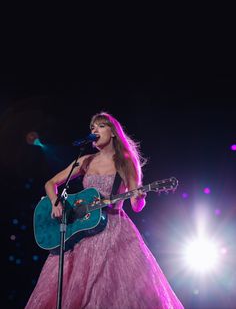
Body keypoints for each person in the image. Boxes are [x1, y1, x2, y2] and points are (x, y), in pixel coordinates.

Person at [25, 112, 184, 309]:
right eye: (92, 128)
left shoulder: (124, 161)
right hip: (79, 231)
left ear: (113, 132)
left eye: (100, 126)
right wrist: (56, 203)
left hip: (113, 229)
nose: (94, 131)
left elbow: (136, 205)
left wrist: (139, 197)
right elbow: (51, 183)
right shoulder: (86, 160)